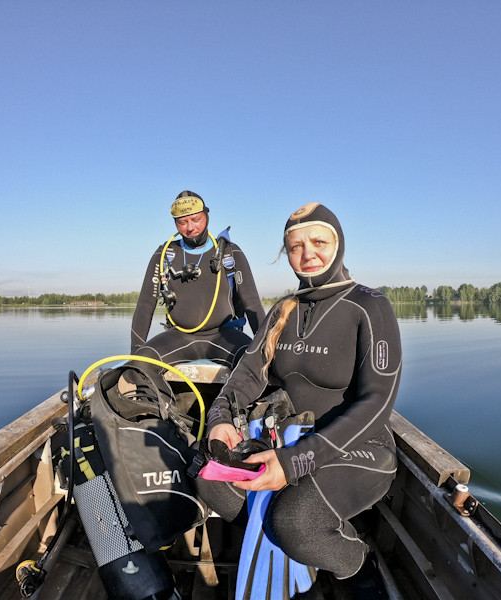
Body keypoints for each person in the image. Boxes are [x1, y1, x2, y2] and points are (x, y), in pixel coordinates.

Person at [197, 202, 402, 592]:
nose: (308, 253)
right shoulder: (283, 311)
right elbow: (246, 377)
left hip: (361, 448)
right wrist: (220, 418)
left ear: (338, 245)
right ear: (286, 253)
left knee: (295, 521)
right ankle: (293, 544)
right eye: (295, 246)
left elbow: (377, 402)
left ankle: (358, 568)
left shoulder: (369, 306)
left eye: (319, 241)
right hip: (291, 440)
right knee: (209, 476)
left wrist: (293, 464)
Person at [130, 190, 266, 371]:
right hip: (178, 337)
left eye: (196, 219)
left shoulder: (230, 253)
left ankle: (229, 400)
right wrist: (136, 353)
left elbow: (252, 303)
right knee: (140, 364)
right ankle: (167, 400)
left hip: (224, 337)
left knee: (256, 366)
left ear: (207, 216)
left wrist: (266, 350)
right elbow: (146, 304)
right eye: (182, 222)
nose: (190, 227)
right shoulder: (165, 255)